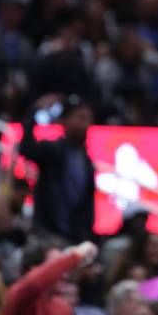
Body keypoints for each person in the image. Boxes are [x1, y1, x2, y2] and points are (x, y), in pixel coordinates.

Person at [19, 93, 96, 243]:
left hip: (74, 237)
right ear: (64, 121)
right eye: (80, 118)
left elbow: (87, 206)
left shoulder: (87, 161)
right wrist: (34, 111)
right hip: (47, 234)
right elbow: (27, 149)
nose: (85, 125)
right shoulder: (52, 150)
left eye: (88, 119)